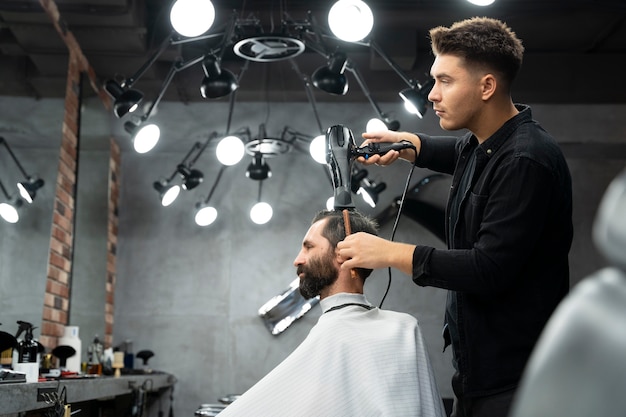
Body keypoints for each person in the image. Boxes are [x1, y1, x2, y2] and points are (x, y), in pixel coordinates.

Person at [336, 17, 573, 417]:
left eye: (445, 81)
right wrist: (411, 144)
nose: (432, 94)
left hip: (518, 382)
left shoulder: (525, 160)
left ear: (486, 87)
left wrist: (389, 253)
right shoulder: (484, 145)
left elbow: (488, 268)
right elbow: (457, 151)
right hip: (478, 373)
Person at [217, 209, 446, 417]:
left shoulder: (404, 330)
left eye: (309, 247)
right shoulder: (404, 326)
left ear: (344, 253)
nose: (298, 259)